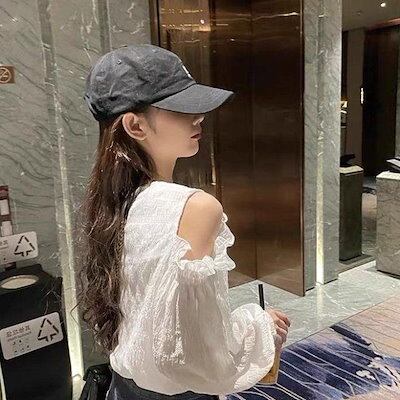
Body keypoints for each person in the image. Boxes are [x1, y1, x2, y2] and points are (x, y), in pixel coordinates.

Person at [77, 44, 290, 400]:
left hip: (122, 388)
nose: (199, 117)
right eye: (181, 107)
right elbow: (202, 359)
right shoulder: (196, 208)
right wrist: (261, 326)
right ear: (135, 125)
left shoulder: (114, 204)